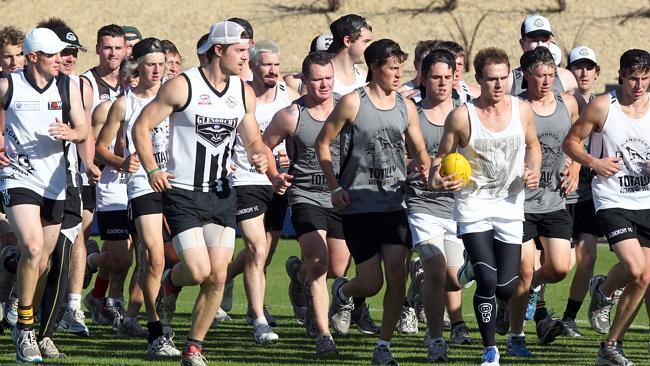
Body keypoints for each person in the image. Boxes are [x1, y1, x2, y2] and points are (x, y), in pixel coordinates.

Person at [133, 20, 272, 366]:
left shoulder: (243, 91)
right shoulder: (183, 86)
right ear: (218, 50)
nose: (246, 58)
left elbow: (253, 137)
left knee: (219, 275)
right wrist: (151, 168)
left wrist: (261, 155)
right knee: (196, 270)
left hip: (223, 193)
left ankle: (193, 347)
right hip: (183, 193)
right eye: (240, 51)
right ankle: (169, 283)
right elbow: (142, 126)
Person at [317, 38, 431, 365]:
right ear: (375, 68)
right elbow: (323, 144)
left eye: (400, 68)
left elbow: (419, 149)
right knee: (371, 282)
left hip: (394, 204)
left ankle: (383, 346)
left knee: (398, 273)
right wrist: (334, 185)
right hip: (358, 205)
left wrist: (425, 167)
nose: (399, 74)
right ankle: (343, 293)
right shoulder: (353, 102)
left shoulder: (405, 106)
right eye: (392, 68)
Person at [431, 47, 541, 366]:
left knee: (507, 287)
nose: (498, 85)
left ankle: (468, 269)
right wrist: (439, 180)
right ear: (478, 79)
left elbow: (533, 146)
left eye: (504, 78)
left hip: (510, 204)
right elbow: (440, 159)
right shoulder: (461, 116)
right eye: (491, 79)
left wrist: (532, 168)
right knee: (489, 282)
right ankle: (490, 349)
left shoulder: (523, 111)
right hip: (473, 204)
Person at [0, 27, 89, 363]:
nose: (59, 60)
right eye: (52, 55)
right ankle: (24, 330)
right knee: (33, 248)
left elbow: (83, 128)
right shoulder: (9, 83)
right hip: (17, 177)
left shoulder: (69, 86)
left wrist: (72, 132)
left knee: (44, 263)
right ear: (33, 57)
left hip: (54, 183)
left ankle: (26, 316)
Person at [563, 49, 650, 366]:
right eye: (633, 79)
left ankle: (610, 346)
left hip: (647, 201)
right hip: (612, 199)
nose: (639, 86)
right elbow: (570, 142)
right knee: (635, 268)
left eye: (645, 79)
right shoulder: (603, 106)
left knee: (644, 278)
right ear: (622, 75)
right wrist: (594, 162)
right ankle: (603, 289)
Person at [94, 38, 180, 356]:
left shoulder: (175, 96)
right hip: (142, 183)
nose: (158, 70)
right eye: (151, 64)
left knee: (180, 260)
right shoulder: (125, 103)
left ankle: (132, 315)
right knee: (153, 257)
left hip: (178, 183)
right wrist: (121, 162)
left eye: (163, 64)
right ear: (137, 66)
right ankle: (156, 332)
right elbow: (101, 148)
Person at [263, 50, 349, 355]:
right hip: (305, 195)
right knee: (319, 262)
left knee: (338, 267)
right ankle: (324, 334)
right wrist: (275, 173)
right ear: (304, 80)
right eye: (317, 80)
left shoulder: (346, 108)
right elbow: (262, 145)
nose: (324, 85)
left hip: (340, 196)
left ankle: (299, 280)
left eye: (328, 79)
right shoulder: (291, 115)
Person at [504, 46, 579, 358]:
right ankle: (516, 337)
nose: (547, 80)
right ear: (526, 76)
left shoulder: (568, 103)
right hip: (520, 203)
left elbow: (579, 136)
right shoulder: (514, 108)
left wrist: (575, 166)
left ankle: (519, 294)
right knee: (523, 270)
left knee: (560, 268)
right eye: (540, 75)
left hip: (554, 199)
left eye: (551, 74)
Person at [223, 39, 298, 344]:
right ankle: (259, 318)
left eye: (277, 65)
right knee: (256, 249)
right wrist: (226, 162)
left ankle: (225, 277)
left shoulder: (290, 98)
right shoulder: (238, 95)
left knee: (265, 255)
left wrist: (289, 157)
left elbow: (300, 136)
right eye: (266, 64)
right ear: (252, 66)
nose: (273, 70)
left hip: (278, 182)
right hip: (244, 179)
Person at [404, 49, 472, 362]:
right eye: (435, 77)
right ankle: (435, 340)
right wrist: (420, 166)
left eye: (448, 76)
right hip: (421, 202)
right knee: (435, 269)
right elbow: (397, 158)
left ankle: (421, 282)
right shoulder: (410, 113)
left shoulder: (465, 113)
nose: (443, 83)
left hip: (457, 206)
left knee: (454, 278)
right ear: (423, 78)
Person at [79, 24, 126, 326]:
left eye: (118, 47)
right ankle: (71, 302)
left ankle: (103, 298)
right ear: (97, 48)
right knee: (80, 234)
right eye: (107, 47)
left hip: (122, 177)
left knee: (123, 253)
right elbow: (82, 129)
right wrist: (89, 161)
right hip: (88, 172)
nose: (112, 53)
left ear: (126, 50)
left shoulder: (131, 83)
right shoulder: (86, 83)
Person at [561, 45, 603, 337]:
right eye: (578, 66)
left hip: (590, 194)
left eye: (589, 67)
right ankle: (527, 304)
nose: (584, 72)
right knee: (559, 262)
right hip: (560, 193)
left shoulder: (606, 106)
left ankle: (569, 318)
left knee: (587, 257)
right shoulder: (562, 103)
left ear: (598, 73)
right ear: (569, 71)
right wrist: (574, 165)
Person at [508, 14, 577, 95]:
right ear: (522, 44)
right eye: (534, 40)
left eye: (544, 40)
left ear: (550, 41)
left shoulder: (566, 77)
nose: (540, 45)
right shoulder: (510, 81)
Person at [327, 14, 372, 95]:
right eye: (365, 41)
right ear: (347, 41)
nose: (369, 47)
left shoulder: (365, 78)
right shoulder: (319, 77)